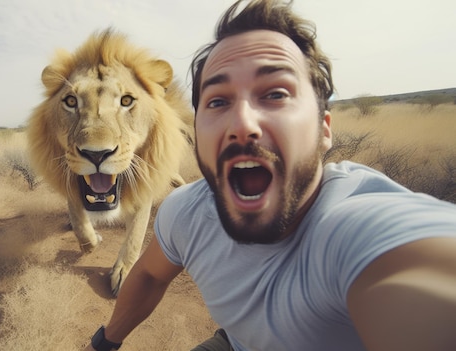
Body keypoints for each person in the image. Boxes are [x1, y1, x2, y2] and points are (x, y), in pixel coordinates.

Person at [83, 0, 456, 350]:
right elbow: (148, 275)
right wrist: (105, 342)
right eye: (218, 101)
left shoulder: (361, 227)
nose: (242, 124)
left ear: (324, 129)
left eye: (276, 94)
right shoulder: (185, 212)